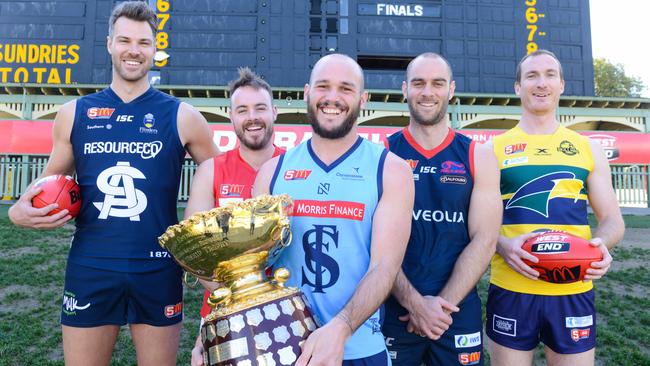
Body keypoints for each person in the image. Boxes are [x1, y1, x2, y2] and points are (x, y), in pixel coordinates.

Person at [7, 2, 218, 365]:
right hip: (91, 266)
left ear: (155, 49)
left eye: (143, 42)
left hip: (158, 267)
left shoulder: (183, 116)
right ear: (109, 44)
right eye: (125, 40)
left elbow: (223, 178)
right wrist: (17, 212)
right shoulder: (74, 113)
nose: (133, 50)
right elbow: (46, 184)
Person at [253, 53, 414, 365]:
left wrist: (340, 329)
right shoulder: (272, 172)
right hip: (284, 349)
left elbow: (385, 267)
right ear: (306, 94)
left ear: (363, 99)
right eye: (323, 86)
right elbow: (253, 269)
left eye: (346, 88)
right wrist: (216, 331)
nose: (332, 98)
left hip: (359, 347)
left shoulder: (389, 170)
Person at [485, 49, 625, 366]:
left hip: (572, 288)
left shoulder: (588, 149)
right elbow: (476, 222)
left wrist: (601, 245)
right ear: (517, 87)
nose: (541, 83)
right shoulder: (492, 149)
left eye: (550, 75)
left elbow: (613, 220)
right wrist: (502, 244)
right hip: (512, 287)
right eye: (531, 75)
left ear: (561, 84)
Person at [381, 53, 502, 366]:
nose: (427, 92)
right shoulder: (383, 153)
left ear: (451, 90)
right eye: (418, 83)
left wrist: (440, 307)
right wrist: (413, 302)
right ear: (405, 89)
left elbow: (485, 239)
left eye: (437, 83)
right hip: (392, 305)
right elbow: (373, 241)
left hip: (456, 312)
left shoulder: (478, 155)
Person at [183, 67, 284, 366]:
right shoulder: (211, 170)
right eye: (242, 110)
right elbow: (194, 252)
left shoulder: (295, 167)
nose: (252, 117)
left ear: (274, 112)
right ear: (231, 117)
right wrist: (238, 300)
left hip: (286, 311)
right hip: (224, 313)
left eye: (260, 108)